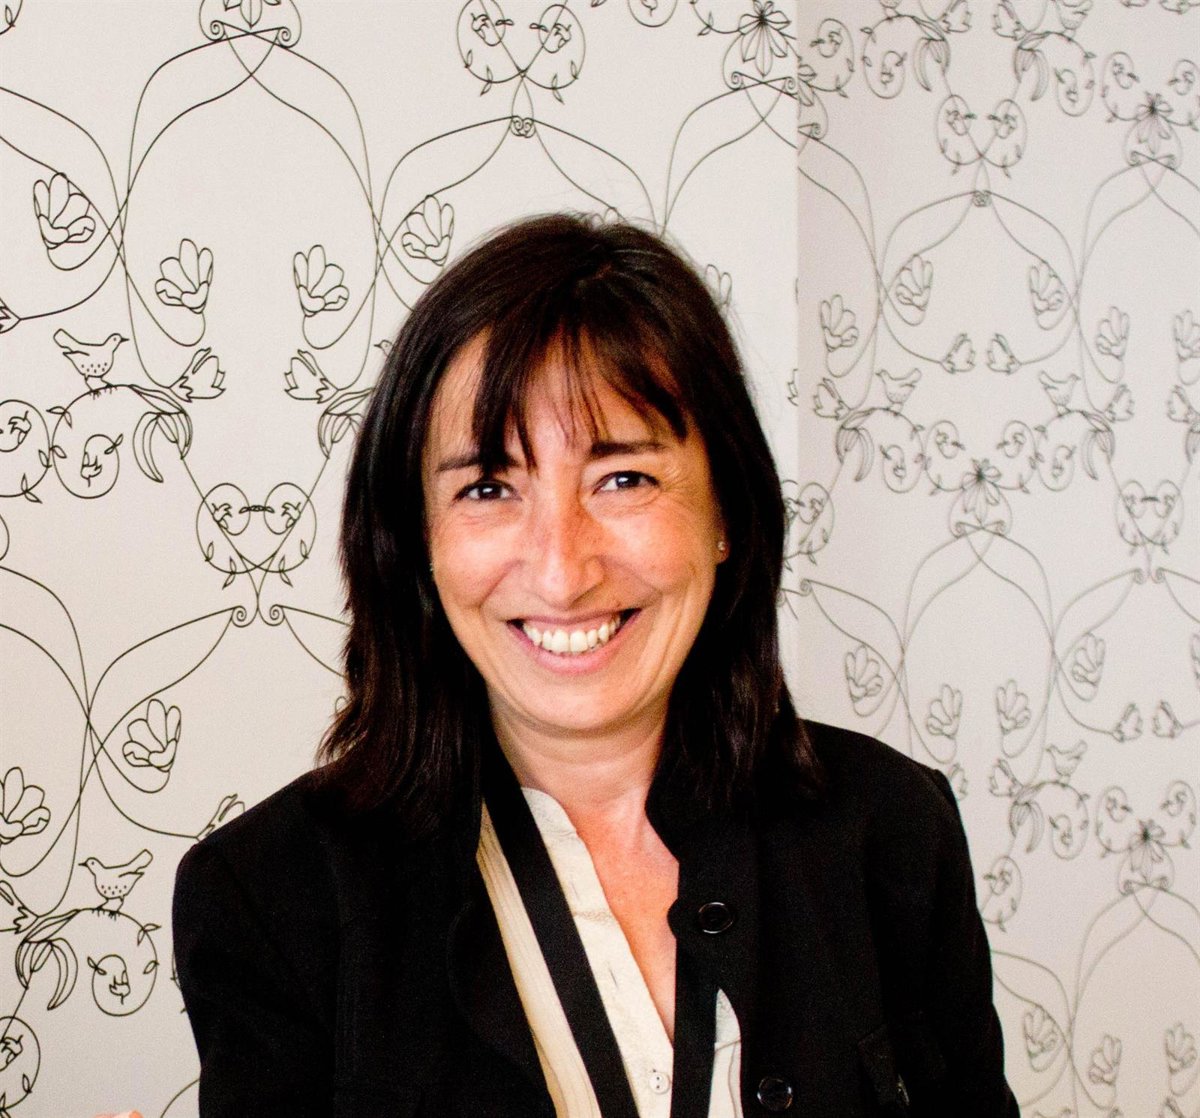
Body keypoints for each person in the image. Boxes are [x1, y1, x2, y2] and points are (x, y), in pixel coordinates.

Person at [173, 214, 1018, 1116]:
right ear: (417, 541)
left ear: (726, 512)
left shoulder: (892, 829)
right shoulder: (270, 895)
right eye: (488, 488)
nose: (562, 571)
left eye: (623, 479)